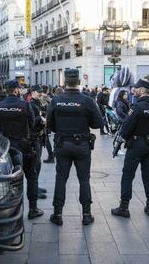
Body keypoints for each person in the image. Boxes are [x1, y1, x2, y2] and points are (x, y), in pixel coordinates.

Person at [47, 69, 103, 226]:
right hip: (82, 145)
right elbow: (98, 124)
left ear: (65, 82)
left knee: (61, 179)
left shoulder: (56, 100)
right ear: (79, 82)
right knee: (84, 179)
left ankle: (57, 214)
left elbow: (50, 124)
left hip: (62, 144)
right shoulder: (87, 100)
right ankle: (86, 214)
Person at [111, 79, 149, 218]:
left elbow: (127, 128)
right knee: (148, 175)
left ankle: (124, 207)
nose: (134, 90)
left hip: (136, 145)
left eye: (137, 88)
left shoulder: (137, 107)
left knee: (128, 175)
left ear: (143, 90)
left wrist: (123, 138)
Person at [0, 80, 44, 219]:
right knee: (31, 175)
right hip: (24, 145)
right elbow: (32, 123)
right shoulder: (25, 105)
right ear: (16, 90)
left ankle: (12, 211)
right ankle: (33, 209)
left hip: (6, 147)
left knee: (11, 179)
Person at [29, 85, 48, 199]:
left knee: (38, 164)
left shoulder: (39, 103)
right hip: (34, 137)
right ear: (32, 93)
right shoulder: (31, 104)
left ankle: (36, 186)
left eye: (41, 92)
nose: (41, 94)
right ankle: (34, 189)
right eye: (38, 92)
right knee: (35, 164)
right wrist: (40, 119)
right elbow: (31, 121)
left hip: (39, 137)